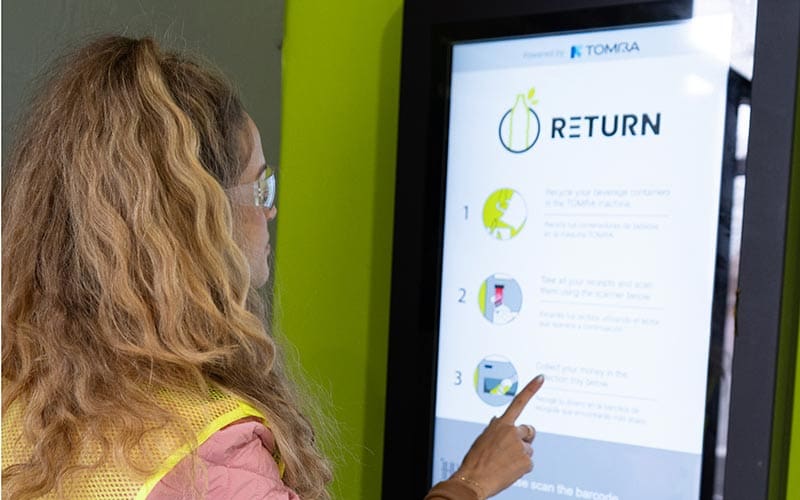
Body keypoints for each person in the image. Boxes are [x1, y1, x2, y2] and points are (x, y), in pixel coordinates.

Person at [1, 36, 543, 499]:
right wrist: (468, 482)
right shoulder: (210, 461)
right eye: (259, 184)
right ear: (194, 219)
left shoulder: (22, 394)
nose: (271, 208)